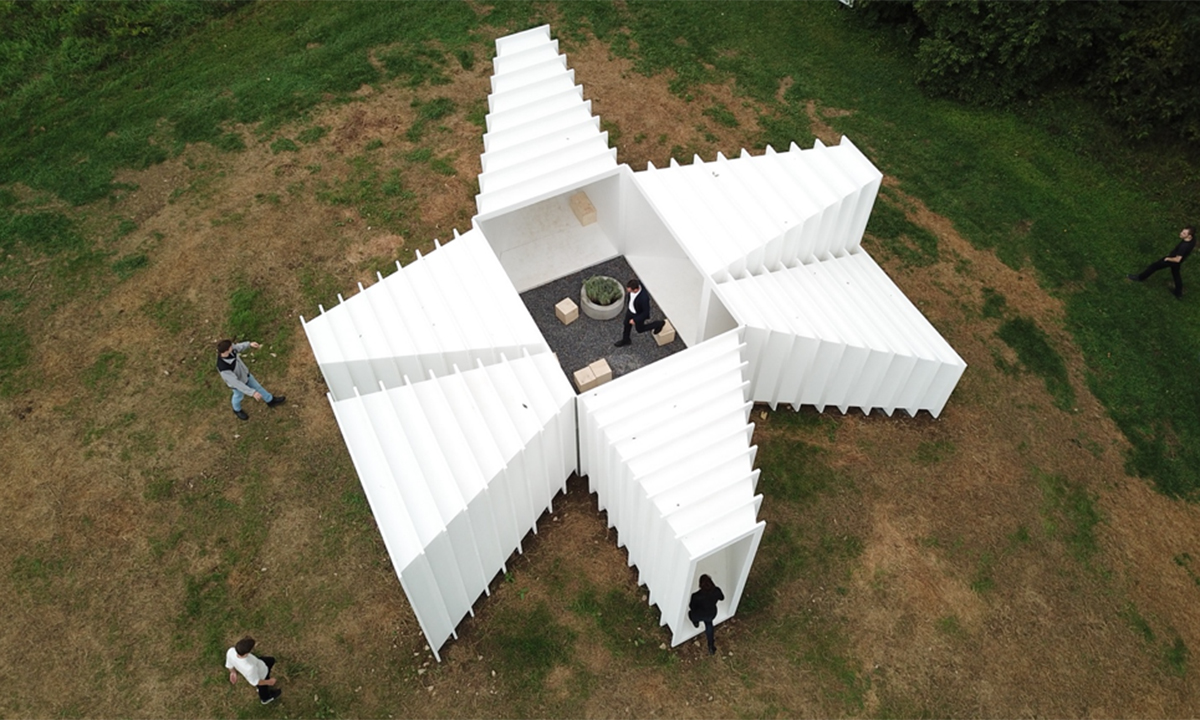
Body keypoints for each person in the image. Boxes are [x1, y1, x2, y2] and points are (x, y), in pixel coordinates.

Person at [217, 339, 285, 420]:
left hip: (246, 375)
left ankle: (270, 400)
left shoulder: (231, 350)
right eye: (231, 346)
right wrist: (252, 393)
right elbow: (237, 383)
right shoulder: (223, 368)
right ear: (226, 351)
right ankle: (237, 410)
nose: (233, 346)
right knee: (238, 396)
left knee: (258, 387)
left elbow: (238, 347)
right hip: (238, 385)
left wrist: (249, 344)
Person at [1127, 226, 1196, 299]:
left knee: (1153, 266)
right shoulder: (1193, 240)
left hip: (1172, 260)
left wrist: (1167, 259)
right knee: (1176, 275)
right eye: (1182, 231)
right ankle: (1178, 293)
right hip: (1177, 262)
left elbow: (1177, 259)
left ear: (1189, 236)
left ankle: (1140, 278)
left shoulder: (1184, 246)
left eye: (1184, 233)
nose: (1181, 233)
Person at [225, 636, 282, 705]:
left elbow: (229, 663)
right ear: (246, 653)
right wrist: (269, 682)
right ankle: (265, 699)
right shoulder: (250, 668)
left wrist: (232, 672)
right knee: (262, 688)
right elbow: (256, 681)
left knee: (271, 660)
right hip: (262, 675)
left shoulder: (231, 651)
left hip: (259, 663)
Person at [614, 278, 666, 347]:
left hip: (638, 314)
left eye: (630, 291)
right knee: (626, 324)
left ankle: (659, 324)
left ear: (636, 290)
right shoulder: (636, 284)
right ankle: (626, 340)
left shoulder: (644, 298)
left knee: (640, 329)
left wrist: (635, 320)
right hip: (630, 311)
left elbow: (645, 312)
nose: (628, 292)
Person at [688, 574, 725, 655]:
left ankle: (696, 623)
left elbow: (691, 607)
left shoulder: (696, 596)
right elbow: (722, 598)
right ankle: (711, 646)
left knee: (690, 614)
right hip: (712, 613)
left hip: (700, 614)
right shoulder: (716, 591)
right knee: (709, 625)